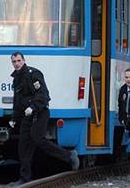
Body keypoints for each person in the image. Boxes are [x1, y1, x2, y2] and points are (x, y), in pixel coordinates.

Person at [9, 52, 79, 185]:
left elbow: (43, 95)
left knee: (38, 139)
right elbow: (17, 101)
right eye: (14, 61)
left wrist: (33, 107)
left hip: (40, 113)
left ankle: (69, 156)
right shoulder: (16, 78)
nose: (16, 63)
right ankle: (25, 178)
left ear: (24, 60)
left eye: (18, 60)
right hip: (26, 115)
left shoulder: (33, 74)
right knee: (23, 146)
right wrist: (14, 118)